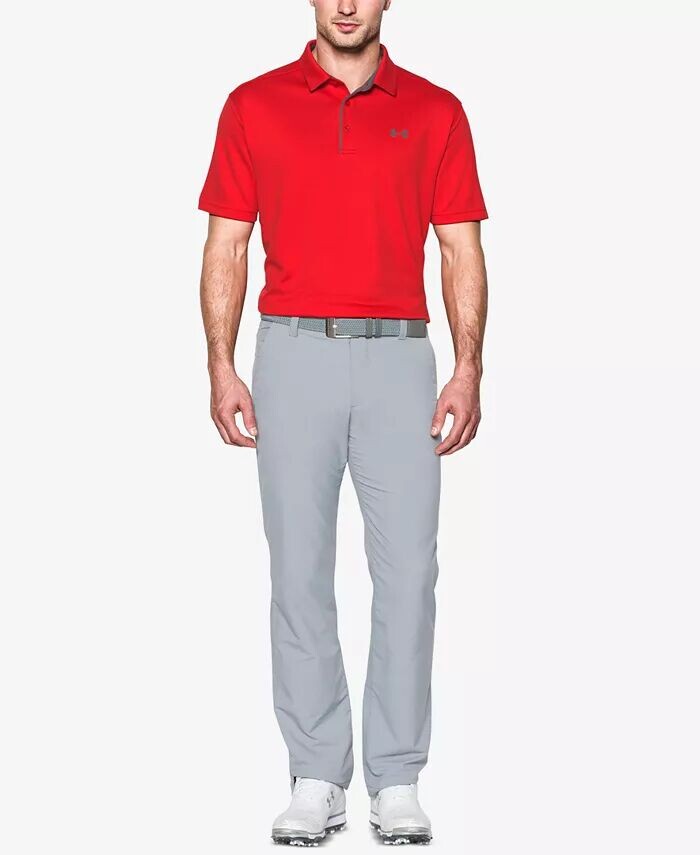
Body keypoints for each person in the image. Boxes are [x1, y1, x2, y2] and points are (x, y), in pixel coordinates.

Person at [198, 0, 488, 845]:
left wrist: (468, 366)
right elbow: (226, 244)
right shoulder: (253, 105)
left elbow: (461, 248)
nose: (348, 4)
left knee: (410, 575)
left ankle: (396, 777)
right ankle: (318, 772)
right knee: (299, 573)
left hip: (401, 358)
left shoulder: (435, 111)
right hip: (291, 354)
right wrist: (222, 363)